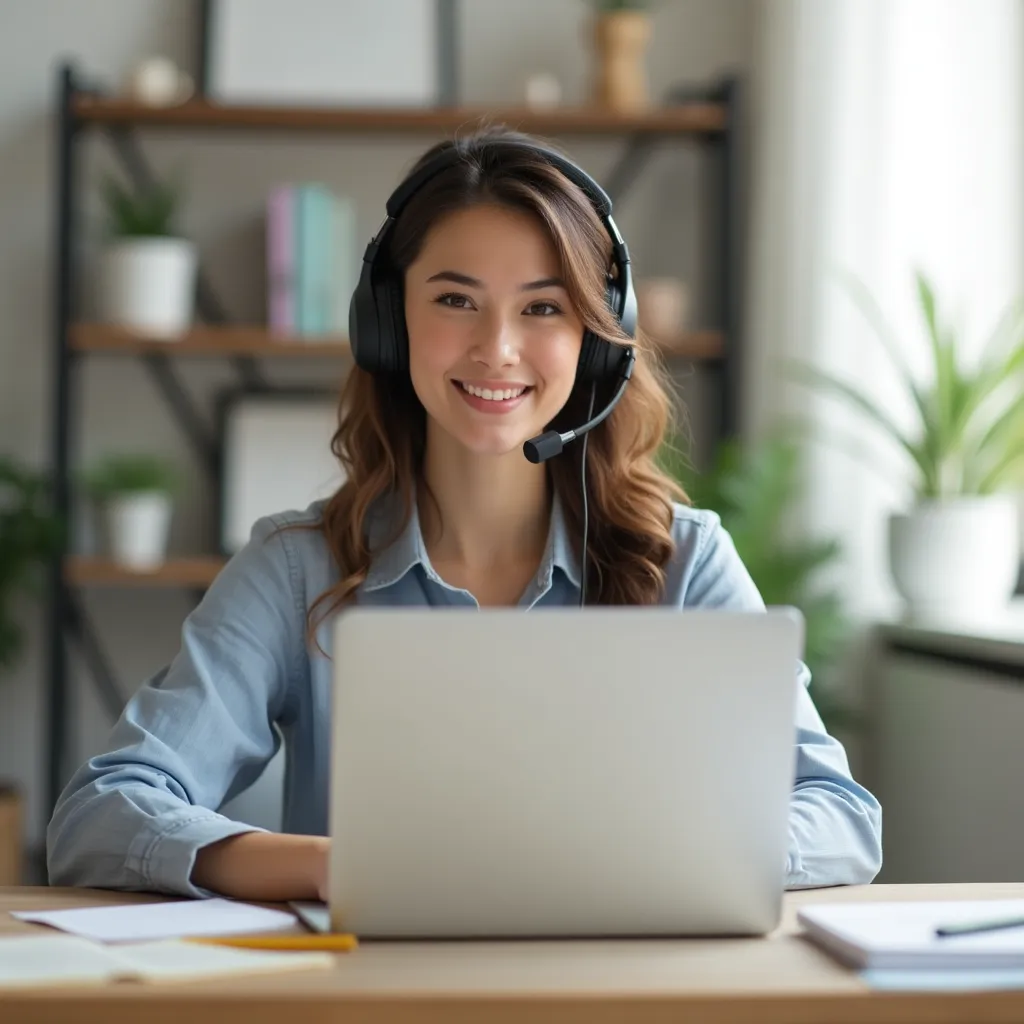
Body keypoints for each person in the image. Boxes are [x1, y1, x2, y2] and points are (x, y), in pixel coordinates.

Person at [47, 127, 882, 902]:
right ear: (388, 322)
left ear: (596, 340)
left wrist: (652, 861)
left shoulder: (683, 562)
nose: (497, 349)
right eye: (455, 300)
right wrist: (337, 866)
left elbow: (839, 817)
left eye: (543, 307)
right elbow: (101, 812)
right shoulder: (298, 568)